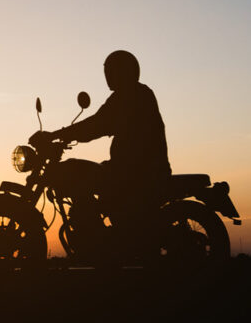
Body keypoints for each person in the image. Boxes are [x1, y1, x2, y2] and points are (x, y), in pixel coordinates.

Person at [31, 50, 171, 252]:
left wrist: (54, 135)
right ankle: (90, 230)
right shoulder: (124, 96)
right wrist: (62, 136)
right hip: (126, 169)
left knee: (74, 172)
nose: (108, 77)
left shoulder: (135, 95)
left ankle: (98, 240)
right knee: (77, 172)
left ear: (125, 72)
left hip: (140, 172)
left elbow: (98, 124)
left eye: (112, 71)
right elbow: (98, 123)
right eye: (107, 72)